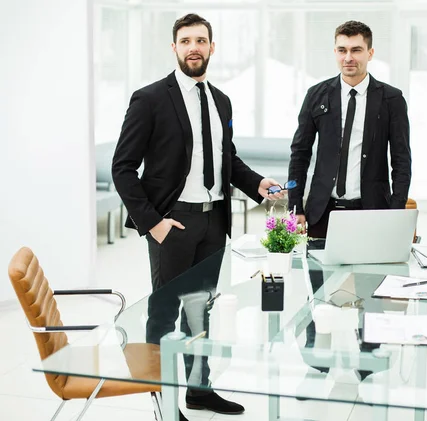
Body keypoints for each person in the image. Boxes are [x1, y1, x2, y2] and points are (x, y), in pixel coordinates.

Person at [111, 13, 286, 419]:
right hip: (172, 223)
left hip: (213, 223)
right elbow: (123, 168)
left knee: (202, 311)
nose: (194, 47)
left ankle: (199, 390)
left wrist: (257, 184)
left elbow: (228, 159)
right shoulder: (150, 98)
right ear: (174, 48)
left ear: (212, 47)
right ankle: (162, 404)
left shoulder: (220, 100)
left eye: (201, 40)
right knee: (164, 313)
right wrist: (152, 223)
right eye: (186, 40)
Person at [287, 20, 411, 238]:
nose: (348, 58)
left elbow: (401, 160)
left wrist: (395, 211)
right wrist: (295, 206)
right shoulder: (316, 95)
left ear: (370, 53)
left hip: (372, 211)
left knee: (371, 273)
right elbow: (300, 153)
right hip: (322, 212)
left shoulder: (391, 99)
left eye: (356, 50)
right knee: (319, 272)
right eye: (342, 50)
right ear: (335, 52)